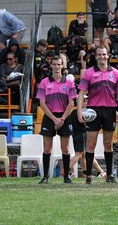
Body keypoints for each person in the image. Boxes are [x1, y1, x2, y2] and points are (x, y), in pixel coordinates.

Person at [77, 45, 118, 184]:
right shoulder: (89, 73)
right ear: (96, 56)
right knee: (90, 144)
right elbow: (81, 93)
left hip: (110, 111)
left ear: (108, 55)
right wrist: (79, 110)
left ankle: (109, 175)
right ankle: (89, 176)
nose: (102, 57)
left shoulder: (115, 73)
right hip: (93, 111)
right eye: (99, 54)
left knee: (108, 144)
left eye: (104, 54)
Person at [37, 56, 77, 184]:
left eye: (59, 64)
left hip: (64, 116)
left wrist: (62, 119)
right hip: (50, 117)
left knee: (65, 148)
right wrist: (55, 119)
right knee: (47, 148)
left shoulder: (69, 82)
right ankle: (45, 177)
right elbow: (42, 103)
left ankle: (66, 176)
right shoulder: (44, 82)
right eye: (54, 64)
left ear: (62, 66)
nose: (56, 66)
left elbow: (71, 103)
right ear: (51, 66)